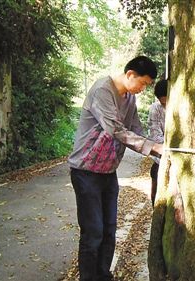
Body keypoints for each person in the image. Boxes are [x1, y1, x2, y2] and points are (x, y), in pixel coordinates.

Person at [67, 56, 162, 281]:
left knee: (109, 230)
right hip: (86, 171)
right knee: (93, 232)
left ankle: (103, 275)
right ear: (130, 75)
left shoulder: (130, 99)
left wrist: (160, 152)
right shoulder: (102, 90)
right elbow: (115, 129)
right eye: (143, 83)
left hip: (108, 172)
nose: (143, 89)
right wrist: (152, 147)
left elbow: (136, 130)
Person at [147, 79, 167, 206]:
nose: (163, 103)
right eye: (161, 100)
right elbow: (155, 135)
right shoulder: (155, 109)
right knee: (157, 197)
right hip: (160, 159)